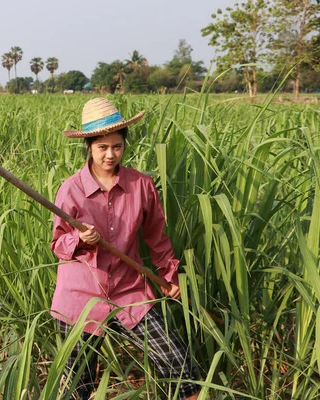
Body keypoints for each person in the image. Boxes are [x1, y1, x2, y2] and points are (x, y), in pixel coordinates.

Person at [51, 98, 201, 399]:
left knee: (180, 366)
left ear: (124, 145)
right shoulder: (71, 189)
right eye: (102, 147)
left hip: (129, 290)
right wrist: (80, 239)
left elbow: (157, 238)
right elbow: (58, 244)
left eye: (116, 146)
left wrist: (169, 276)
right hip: (79, 296)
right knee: (78, 386)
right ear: (89, 147)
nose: (110, 154)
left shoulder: (141, 185)